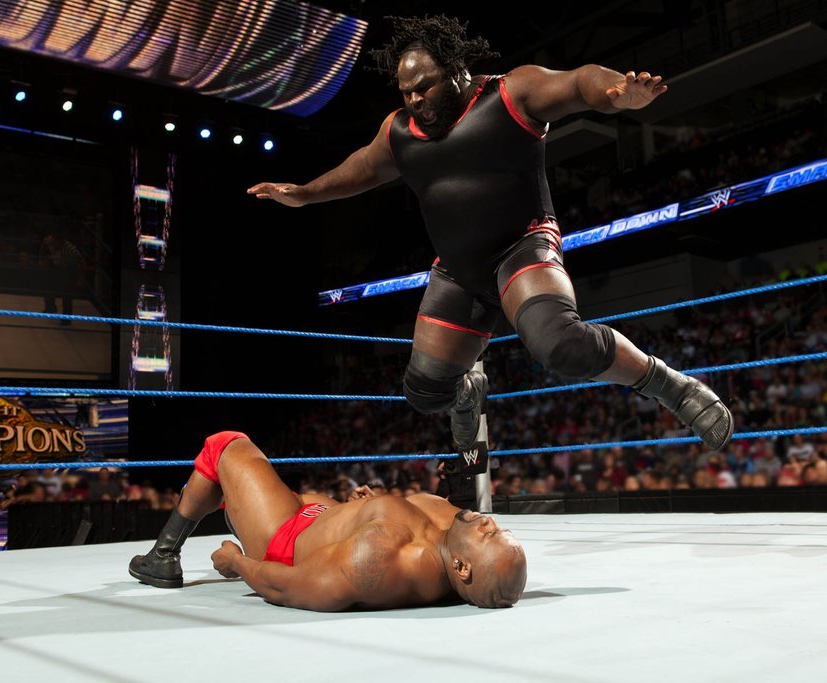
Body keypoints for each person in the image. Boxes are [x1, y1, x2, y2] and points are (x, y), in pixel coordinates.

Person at [247, 16, 733, 453]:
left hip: (522, 248)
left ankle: (672, 386)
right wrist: (305, 193)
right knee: (424, 392)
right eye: (406, 91)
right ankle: (467, 390)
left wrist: (614, 93)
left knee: (561, 346)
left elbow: (577, 81)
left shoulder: (511, 93)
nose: (414, 99)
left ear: (457, 72)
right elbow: (363, 167)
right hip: (459, 273)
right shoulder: (398, 130)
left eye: (424, 86)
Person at [129, 431, 527, 611]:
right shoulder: (451, 532)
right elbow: (403, 519)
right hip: (322, 517)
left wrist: (238, 562)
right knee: (286, 493)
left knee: (226, 447)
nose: (490, 525)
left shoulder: (380, 559)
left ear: (461, 567)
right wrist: (369, 508)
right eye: (500, 530)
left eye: (489, 537)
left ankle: (163, 556)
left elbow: (289, 587)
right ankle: (234, 510)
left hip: (283, 540)